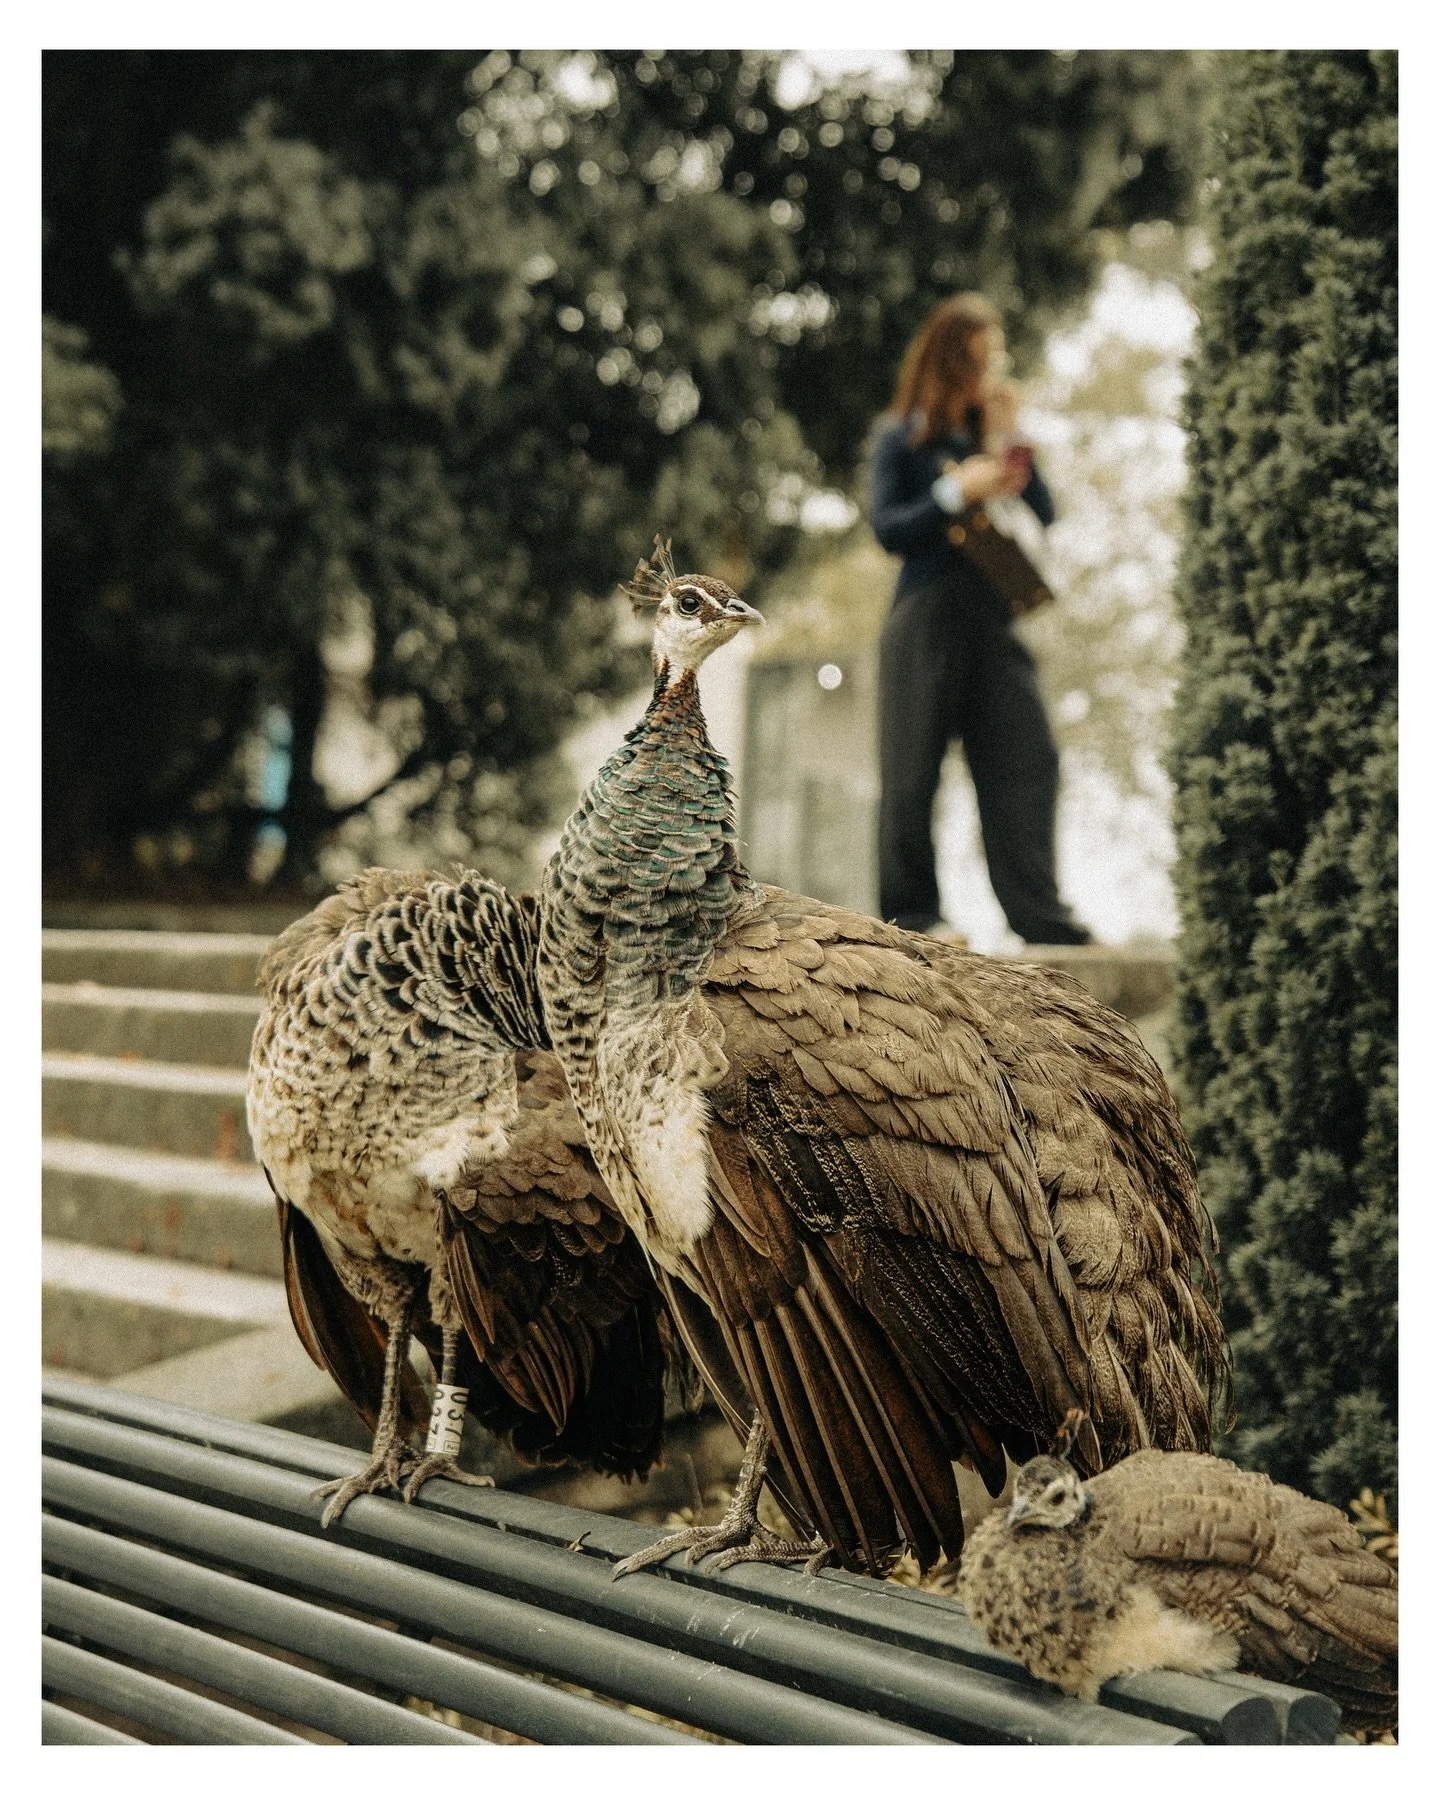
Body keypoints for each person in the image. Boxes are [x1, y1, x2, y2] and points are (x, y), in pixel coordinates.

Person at [869, 292, 1090, 946]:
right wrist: (952, 492)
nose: (988, 372)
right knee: (911, 767)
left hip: (995, 617)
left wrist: (1007, 443)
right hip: (925, 611)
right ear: (948, 361)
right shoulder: (902, 438)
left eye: (994, 359)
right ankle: (913, 915)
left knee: (1029, 756)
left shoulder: (998, 446)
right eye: (977, 358)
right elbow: (889, 528)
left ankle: (1041, 917)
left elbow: (1046, 514)